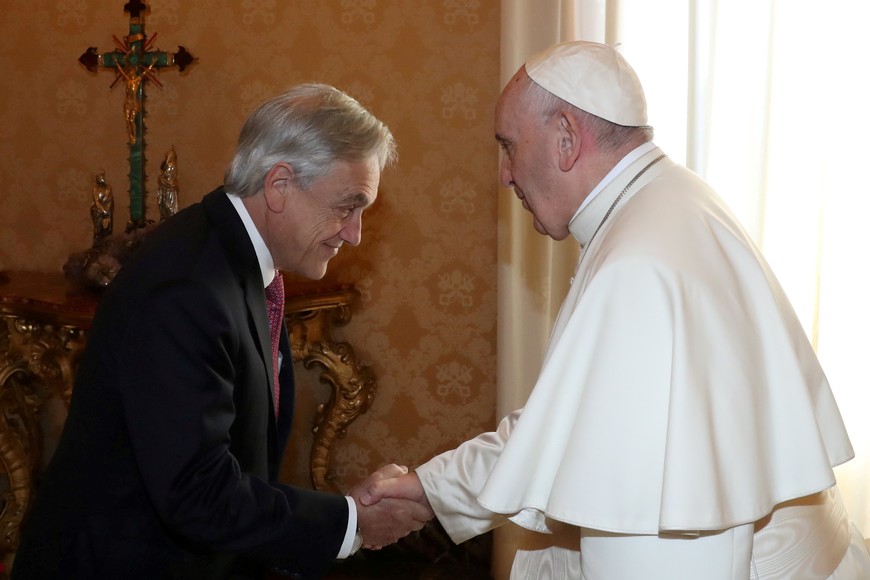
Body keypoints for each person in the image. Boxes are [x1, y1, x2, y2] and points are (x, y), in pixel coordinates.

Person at [360, 41, 870, 579]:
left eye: (509, 146)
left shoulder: (638, 265)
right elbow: (574, 422)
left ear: (565, 138)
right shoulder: (670, 200)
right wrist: (432, 489)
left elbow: (660, 532)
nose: (505, 174)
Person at [13, 83, 431, 579]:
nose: (354, 233)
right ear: (279, 185)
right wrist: (351, 522)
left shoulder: (231, 257)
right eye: (347, 206)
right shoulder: (187, 288)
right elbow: (197, 490)